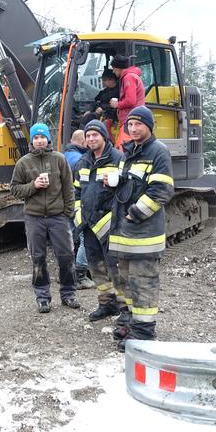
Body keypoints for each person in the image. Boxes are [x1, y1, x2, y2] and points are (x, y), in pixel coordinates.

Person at [108, 107, 174, 348]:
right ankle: (131, 322)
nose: (133, 129)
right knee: (126, 282)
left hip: (143, 234)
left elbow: (162, 191)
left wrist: (135, 214)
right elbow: (128, 186)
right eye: (130, 125)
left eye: (138, 124)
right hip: (126, 235)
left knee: (143, 281)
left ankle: (144, 332)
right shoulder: (129, 153)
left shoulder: (158, 152)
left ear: (149, 126)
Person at [10, 123, 80, 314]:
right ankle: (42, 297)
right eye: (36, 138)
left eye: (42, 137)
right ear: (32, 141)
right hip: (34, 218)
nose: (39, 141)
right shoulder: (23, 163)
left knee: (66, 256)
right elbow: (15, 189)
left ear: (48, 139)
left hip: (58, 217)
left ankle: (68, 294)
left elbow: (69, 187)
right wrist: (33, 185)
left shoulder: (59, 159)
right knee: (38, 258)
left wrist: (68, 212)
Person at [74, 120, 128, 323]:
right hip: (89, 225)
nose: (91, 139)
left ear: (104, 137)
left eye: (95, 135)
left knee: (116, 266)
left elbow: (126, 192)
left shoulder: (118, 159)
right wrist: (79, 216)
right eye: (88, 136)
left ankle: (124, 308)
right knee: (96, 266)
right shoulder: (83, 161)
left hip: (110, 225)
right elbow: (76, 191)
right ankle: (106, 303)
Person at [62, 130, 94, 290]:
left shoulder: (64, 155)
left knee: (70, 238)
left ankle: (68, 272)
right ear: (83, 143)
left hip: (64, 204)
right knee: (85, 237)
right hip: (76, 203)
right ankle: (80, 275)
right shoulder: (80, 160)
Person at [109, 55, 145, 147]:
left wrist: (117, 104)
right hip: (132, 119)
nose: (113, 71)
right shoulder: (132, 76)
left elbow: (130, 101)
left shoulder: (128, 78)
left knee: (124, 149)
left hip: (130, 119)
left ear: (118, 68)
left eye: (114, 68)